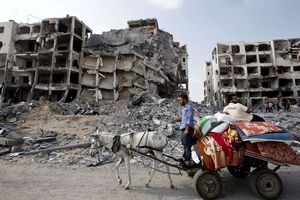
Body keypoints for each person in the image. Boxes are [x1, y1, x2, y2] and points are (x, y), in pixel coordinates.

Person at [171, 94, 195, 167]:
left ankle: (187, 161)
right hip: (183, 129)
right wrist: (175, 120)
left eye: (180, 100)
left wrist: (187, 130)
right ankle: (185, 159)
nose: (179, 102)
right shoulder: (184, 108)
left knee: (187, 145)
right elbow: (184, 118)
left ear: (185, 99)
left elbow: (189, 119)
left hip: (187, 129)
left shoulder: (189, 107)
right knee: (185, 145)